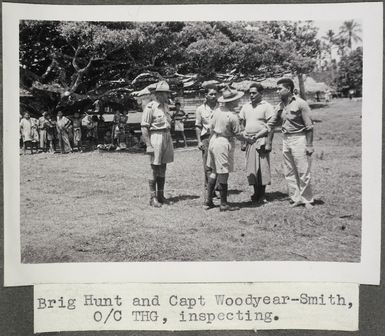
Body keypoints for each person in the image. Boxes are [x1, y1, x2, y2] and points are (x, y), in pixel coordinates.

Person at [206, 87, 267, 211]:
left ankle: (208, 201)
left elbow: (210, 127)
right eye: (236, 100)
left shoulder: (217, 110)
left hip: (213, 140)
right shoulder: (232, 116)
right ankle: (223, 203)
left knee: (214, 171)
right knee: (223, 173)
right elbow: (238, 134)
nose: (238, 102)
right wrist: (249, 139)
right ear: (231, 101)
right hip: (223, 142)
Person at [266, 78, 314, 209]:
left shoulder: (301, 104)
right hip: (286, 139)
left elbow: (309, 127)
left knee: (303, 170)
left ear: (288, 89)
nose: (277, 91)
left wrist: (309, 145)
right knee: (289, 171)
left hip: (299, 138)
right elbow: (270, 124)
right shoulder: (280, 106)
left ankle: (307, 199)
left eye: (280, 88)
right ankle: (295, 198)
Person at [239, 83, 275, 203]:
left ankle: (262, 194)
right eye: (250, 93)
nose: (251, 95)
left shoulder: (267, 106)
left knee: (262, 168)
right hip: (249, 141)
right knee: (252, 168)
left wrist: (269, 142)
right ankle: (255, 192)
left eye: (254, 93)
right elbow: (241, 123)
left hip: (261, 140)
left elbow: (271, 126)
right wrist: (243, 141)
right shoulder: (246, 106)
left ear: (261, 93)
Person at [141, 81, 174, 207]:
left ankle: (161, 195)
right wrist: (148, 145)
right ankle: (153, 197)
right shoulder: (150, 107)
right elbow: (144, 127)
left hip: (166, 136)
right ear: (159, 94)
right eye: (166, 94)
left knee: (163, 167)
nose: (167, 96)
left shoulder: (166, 106)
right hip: (156, 136)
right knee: (154, 168)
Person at [195, 86, 219, 201]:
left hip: (219, 137)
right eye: (211, 94)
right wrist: (199, 141)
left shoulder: (221, 107)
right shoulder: (200, 109)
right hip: (206, 138)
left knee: (219, 163)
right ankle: (209, 189)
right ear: (206, 95)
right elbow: (198, 126)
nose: (214, 96)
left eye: (215, 94)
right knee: (207, 165)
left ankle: (217, 187)